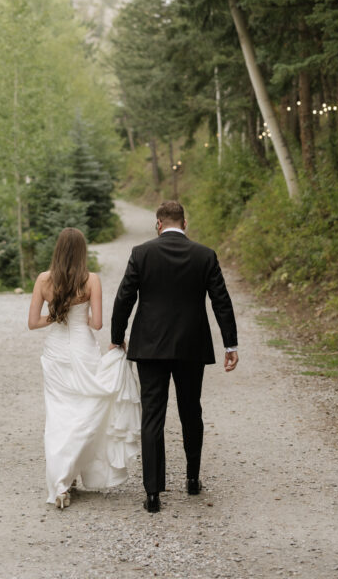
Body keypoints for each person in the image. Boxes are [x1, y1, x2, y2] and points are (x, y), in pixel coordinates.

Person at [110, 200, 238, 514]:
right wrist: (230, 345)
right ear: (184, 223)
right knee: (190, 410)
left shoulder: (142, 254)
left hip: (150, 347)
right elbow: (221, 300)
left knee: (152, 414)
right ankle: (192, 479)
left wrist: (117, 337)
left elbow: (124, 296)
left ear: (158, 224)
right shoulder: (204, 255)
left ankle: (153, 494)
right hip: (191, 346)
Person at [28, 227, 140, 509]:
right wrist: (87, 318)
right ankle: (70, 473)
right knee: (85, 412)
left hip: (55, 353)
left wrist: (56, 314)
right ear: (82, 251)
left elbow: (33, 322)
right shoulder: (91, 280)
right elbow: (98, 323)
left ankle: (61, 483)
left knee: (58, 417)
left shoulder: (44, 280)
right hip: (83, 349)